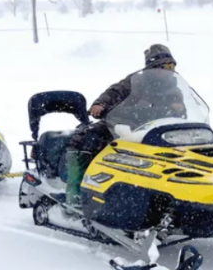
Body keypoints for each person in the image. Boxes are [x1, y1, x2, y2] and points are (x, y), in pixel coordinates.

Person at [64, 44, 184, 206]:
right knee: (83, 139)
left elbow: (183, 113)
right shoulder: (136, 82)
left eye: (171, 66)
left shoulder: (175, 90)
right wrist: (100, 104)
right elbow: (114, 92)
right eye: (163, 66)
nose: (167, 70)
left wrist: (180, 110)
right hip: (123, 125)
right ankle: (75, 192)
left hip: (154, 131)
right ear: (152, 67)